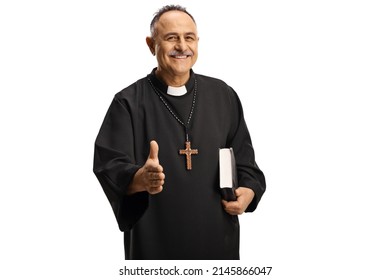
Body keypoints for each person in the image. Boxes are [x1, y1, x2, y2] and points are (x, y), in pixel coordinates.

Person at [93, 5, 266, 260]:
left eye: (189, 37)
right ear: (151, 45)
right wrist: (138, 178)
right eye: (171, 37)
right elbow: (109, 164)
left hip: (218, 242)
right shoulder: (128, 102)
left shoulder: (223, 95)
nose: (182, 46)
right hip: (155, 245)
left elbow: (246, 165)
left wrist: (248, 191)